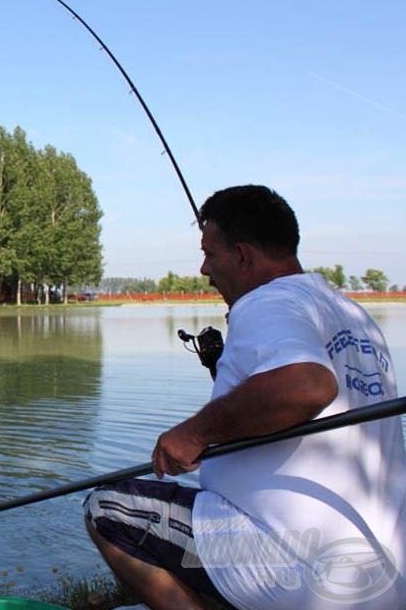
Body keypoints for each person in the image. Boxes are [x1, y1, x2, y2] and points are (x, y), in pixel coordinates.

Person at [83, 185, 406, 609]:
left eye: (209, 253)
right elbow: (301, 401)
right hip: (380, 578)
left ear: (243, 256)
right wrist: (226, 369)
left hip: (297, 570)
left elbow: (307, 386)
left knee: (108, 509)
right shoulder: (350, 313)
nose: (203, 269)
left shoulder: (267, 302)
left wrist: (194, 432)